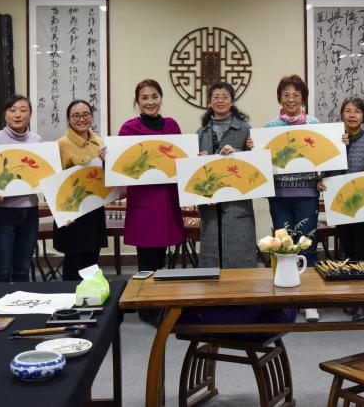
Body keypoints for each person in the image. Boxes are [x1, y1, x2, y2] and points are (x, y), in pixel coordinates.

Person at [118, 80, 185, 325]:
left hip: (166, 198)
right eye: (144, 97)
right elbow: (120, 165)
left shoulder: (172, 125)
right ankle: (146, 307)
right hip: (143, 200)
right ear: (137, 101)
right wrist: (108, 157)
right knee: (146, 257)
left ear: (161, 98)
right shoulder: (128, 129)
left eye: (154, 96)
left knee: (161, 255)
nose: (150, 102)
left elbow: (181, 159)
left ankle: (160, 302)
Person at [257, 75, 321, 323]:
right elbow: (261, 160)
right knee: (283, 246)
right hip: (280, 195)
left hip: (307, 194)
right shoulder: (269, 127)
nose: (291, 99)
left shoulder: (314, 124)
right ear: (279, 98)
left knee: (307, 246)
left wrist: (322, 177)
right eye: (286, 95)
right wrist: (255, 148)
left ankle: (310, 300)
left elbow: (325, 157)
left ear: (303, 97)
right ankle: (286, 298)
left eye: (296, 95)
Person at [318, 97, 364, 321]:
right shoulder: (334, 140)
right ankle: (354, 296)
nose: (352, 115)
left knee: (363, 252)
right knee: (349, 251)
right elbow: (325, 169)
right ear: (342, 114)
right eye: (348, 111)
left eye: (357, 111)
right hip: (340, 204)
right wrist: (320, 180)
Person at [196, 81, 256, 268]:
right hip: (210, 203)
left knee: (239, 255)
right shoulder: (201, 132)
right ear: (210, 101)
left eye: (225, 97)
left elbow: (256, 165)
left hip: (237, 202)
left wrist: (238, 153)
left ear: (232, 101)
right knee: (212, 254)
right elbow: (194, 171)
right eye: (216, 97)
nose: (220, 101)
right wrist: (198, 160)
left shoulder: (245, 129)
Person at [0, 95, 41, 287]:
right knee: (0, 271)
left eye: (23, 110)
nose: (18, 115)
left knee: (22, 269)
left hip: (29, 211)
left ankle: (21, 306)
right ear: (5, 114)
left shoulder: (37, 140)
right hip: (1, 212)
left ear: (30, 114)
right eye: (12, 110)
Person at [54, 100, 109, 280]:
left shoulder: (99, 142)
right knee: (74, 263)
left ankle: (91, 296)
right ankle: (70, 297)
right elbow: (53, 180)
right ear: (69, 119)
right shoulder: (61, 144)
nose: (81, 119)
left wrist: (107, 162)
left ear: (92, 117)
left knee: (92, 262)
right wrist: (62, 213)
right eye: (76, 115)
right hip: (72, 211)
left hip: (94, 208)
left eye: (86, 114)